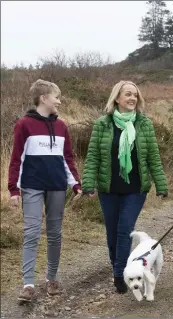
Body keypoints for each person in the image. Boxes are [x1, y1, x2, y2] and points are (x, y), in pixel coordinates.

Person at [82, 80, 168, 294]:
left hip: (135, 189)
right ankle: (117, 266)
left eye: (135, 95)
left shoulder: (144, 124)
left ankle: (120, 272)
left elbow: (153, 157)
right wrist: (88, 183)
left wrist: (161, 183)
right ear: (117, 98)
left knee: (124, 230)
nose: (132, 98)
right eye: (128, 94)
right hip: (108, 188)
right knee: (112, 231)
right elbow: (92, 156)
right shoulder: (102, 124)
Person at [8, 79, 82, 302]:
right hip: (32, 186)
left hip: (57, 186)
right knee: (31, 232)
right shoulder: (24, 125)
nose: (59, 101)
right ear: (44, 98)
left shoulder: (62, 126)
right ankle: (28, 284)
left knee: (54, 234)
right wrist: (14, 190)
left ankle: (52, 278)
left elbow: (67, 158)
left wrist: (75, 184)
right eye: (56, 97)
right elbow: (16, 159)